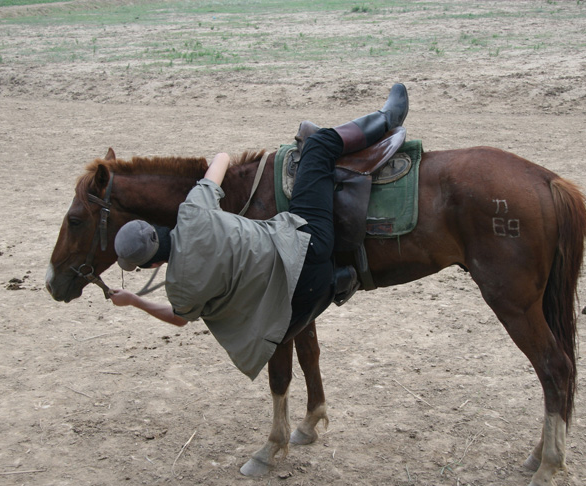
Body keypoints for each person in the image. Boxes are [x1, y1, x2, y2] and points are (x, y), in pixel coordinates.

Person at [109, 83, 409, 379]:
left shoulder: (179, 289)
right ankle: (386, 118)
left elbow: (177, 319)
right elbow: (223, 158)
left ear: (152, 264)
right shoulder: (192, 211)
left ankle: (336, 282)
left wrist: (134, 300)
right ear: (155, 227)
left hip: (298, 297)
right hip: (308, 242)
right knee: (318, 146)